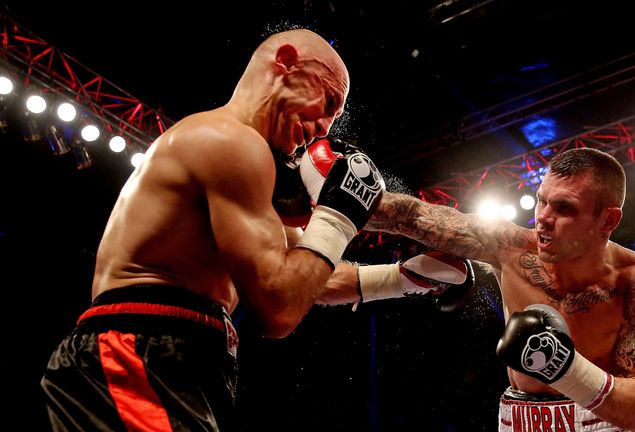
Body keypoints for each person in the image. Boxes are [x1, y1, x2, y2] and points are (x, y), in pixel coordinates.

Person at [39, 28, 474, 431]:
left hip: (172, 354)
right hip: (137, 351)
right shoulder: (229, 142)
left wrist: (404, 279)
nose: (325, 128)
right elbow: (279, 307)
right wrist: (338, 215)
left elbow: (304, 276)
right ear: (286, 62)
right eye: (327, 104)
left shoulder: (248, 164)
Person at [358, 147, 635, 432]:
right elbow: (415, 217)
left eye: (564, 208)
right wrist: (345, 195)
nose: (543, 218)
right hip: (518, 419)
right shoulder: (510, 248)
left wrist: (565, 367)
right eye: (542, 199)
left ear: (608, 220)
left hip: (598, 421)